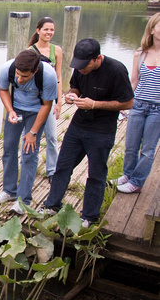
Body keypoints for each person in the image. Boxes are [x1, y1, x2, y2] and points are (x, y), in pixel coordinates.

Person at [40, 38, 134, 226]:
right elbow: (76, 85)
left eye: (84, 66)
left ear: (97, 58)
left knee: (96, 174)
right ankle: (52, 205)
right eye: (78, 65)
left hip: (102, 130)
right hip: (78, 126)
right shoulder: (80, 67)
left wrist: (95, 104)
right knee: (63, 167)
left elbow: (128, 102)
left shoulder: (116, 70)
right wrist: (72, 94)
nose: (80, 69)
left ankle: (89, 216)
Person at [0, 49, 58, 214]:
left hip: (37, 112)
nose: (20, 80)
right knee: (8, 148)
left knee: (29, 152)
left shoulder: (48, 75)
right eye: (18, 75)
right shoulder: (7, 68)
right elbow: (3, 90)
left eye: (25, 77)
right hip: (15, 109)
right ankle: (9, 191)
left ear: (34, 71)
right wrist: (10, 110)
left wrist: (33, 132)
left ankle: (24, 201)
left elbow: (47, 105)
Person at [112, 13, 160, 193]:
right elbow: (134, 81)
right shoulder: (140, 53)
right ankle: (128, 174)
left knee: (148, 148)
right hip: (138, 104)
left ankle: (137, 182)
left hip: (158, 108)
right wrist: (125, 105)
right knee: (131, 145)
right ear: (152, 29)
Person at [28, 17, 63, 182]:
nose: (49, 33)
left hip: (50, 99)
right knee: (30, 133)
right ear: (38, 30)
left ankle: (52, 170)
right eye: (46, 29)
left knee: (52, 136)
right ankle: (29, 166)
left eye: (52, 30)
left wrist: (59, 100)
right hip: (34, 98)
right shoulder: (30, 51)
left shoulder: (57, 50)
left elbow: (59, 77)